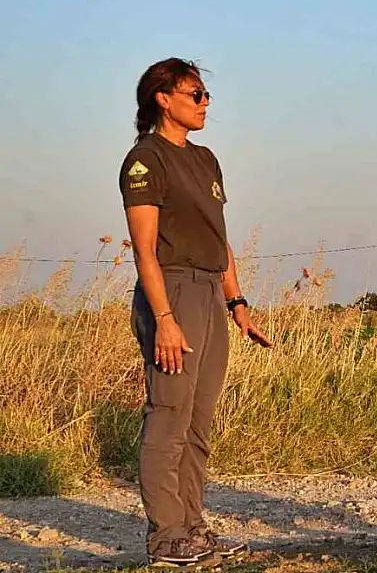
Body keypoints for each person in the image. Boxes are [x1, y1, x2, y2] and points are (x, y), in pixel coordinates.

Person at [119, 57, 273, 567]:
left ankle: (193, 529)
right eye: (196, 94)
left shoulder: (205, 159)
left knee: (199, 419)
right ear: (163, 98)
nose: (206, 103)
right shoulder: (146, 160)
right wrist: (164, 318)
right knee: (169, 414)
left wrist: (238, 302)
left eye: (206, 95)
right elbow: (145, 251)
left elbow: (219, 239)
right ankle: (166, 537)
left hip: (209, 291)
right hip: (173, 290)